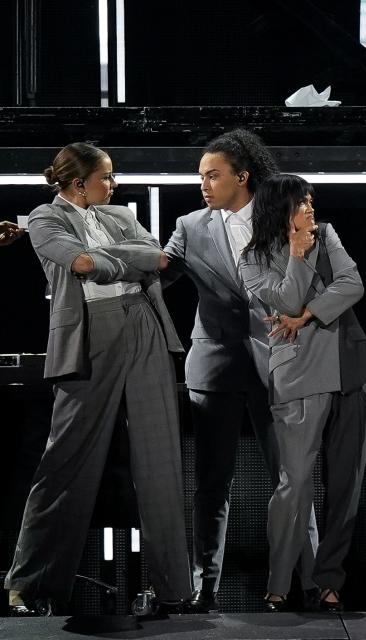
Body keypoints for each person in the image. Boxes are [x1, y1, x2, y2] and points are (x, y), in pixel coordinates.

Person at [5, 143, 192, 615]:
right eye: (105, 177)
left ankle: (174, 590)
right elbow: (82, 265)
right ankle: (30, 585)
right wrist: (129, 259)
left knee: (161, 459)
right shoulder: (44, 219)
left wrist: (111, 255)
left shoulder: (120, 215)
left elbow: (162, 260)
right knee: (66, 458)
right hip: (91, 331)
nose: (113, 184)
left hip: (145, 324)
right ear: (78, 182)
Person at [162, 128, 319, 612]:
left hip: (280, 363)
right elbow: (158, 273)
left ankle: (312, 584)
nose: (203, 184)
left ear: (243, 176)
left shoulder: (286, 214)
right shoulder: (190, 225)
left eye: (213, 175)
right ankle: (203, 589)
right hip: (215, 366)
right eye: (200, 176)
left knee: (292, 478)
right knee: (211, 484)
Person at [238, 173, 366, 612]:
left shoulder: (329, 235)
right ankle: (279, 584)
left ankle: (327, 581)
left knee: (346, 487)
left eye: (312, 203)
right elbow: (284, 301)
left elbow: (353, 284)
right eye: (303, 203)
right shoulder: (251, 260)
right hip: (298, 374)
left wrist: (308, 315)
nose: (311, 211)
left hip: (350, 369)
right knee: (294, 484)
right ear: (281, 209)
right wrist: (298, 255)